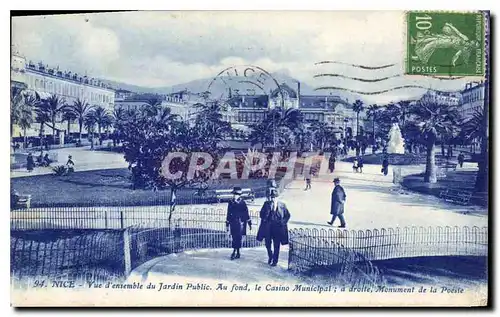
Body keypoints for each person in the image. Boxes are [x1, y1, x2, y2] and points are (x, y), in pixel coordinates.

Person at [257, 188, 291, 266]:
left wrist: (282, 222)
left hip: (277, 228)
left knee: (276, 245)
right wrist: (266, 214)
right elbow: (261, 214)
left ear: (277, 197)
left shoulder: (282, 205)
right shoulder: (266, 204)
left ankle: (275, 261)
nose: (273, 198)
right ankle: (270, 255)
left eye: (275, 197)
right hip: (268, 227)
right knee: (267, 244)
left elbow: (288, 215)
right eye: (272, 197)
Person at [225, 187, 252, 260]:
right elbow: (228, 213)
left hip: (241, 223)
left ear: (239, 195)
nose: (234, 196)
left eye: (235, 194)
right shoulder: (230, 202)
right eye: (234, 194)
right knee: (234, 237)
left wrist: (249, 222)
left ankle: (235, 252)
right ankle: (237, 252)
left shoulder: (242, 203)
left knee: (238, 238)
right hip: (233, 222)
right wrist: (227, 223)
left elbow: (246, 213)